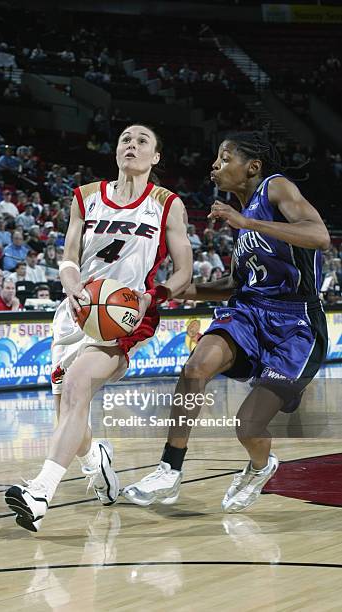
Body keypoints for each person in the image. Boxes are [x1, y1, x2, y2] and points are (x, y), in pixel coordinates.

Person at [123, 131, 330, 513]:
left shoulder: (275, 188)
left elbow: (319, 236)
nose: (214, 165)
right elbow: (234, 285)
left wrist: (246, 222)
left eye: (224, 158)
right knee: (196, 366)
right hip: (250, 311)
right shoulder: (244, 217)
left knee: (248, 428)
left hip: (297, 325)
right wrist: (171, 291)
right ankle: (169, 470)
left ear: (252, 166)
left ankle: (260, 465)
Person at [5, 124, 193, 531]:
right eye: (126, 138)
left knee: (76, 387)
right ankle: (98, 463)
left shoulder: (166, 204)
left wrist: (153, 296)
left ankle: (40, 493)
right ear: (116, 150)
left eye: (143, 141)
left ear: (155, 157)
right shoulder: (86, 196)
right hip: (76, 311)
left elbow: (184, 271)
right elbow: (69, 253)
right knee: (68, 417)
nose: (133, 144)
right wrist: (71, 283)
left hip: (124, 315)